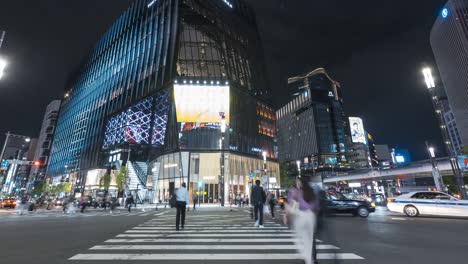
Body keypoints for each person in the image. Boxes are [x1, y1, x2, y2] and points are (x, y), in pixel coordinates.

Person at [287, 177, 319, 264]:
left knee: (298, 238)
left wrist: (287, 214)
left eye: (298, 181)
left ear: (300, 183)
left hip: (301, 216)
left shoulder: (296, 192)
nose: (296, 183)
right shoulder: (312, 191)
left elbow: (291, 204)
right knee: (309, 240)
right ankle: (311, 260)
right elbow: (317, 207)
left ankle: (306, 257)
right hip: (311, 217)